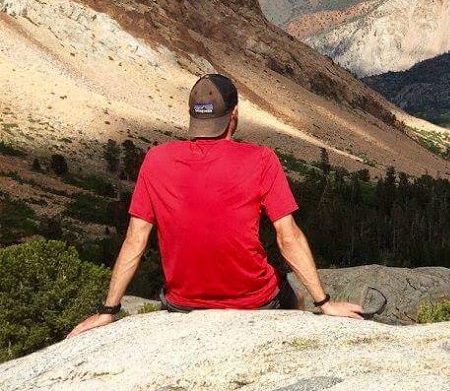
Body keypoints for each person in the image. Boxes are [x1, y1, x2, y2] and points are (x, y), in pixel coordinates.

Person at [68, 73, 361, 336]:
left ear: (193, 117)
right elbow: (288, 237)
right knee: (292, 295)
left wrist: (109, 310)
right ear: (233, 115)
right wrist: (324, 302)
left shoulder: (156, 160)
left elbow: (135, 240)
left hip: (181, 305)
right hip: (255, 302)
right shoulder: (261, 159)